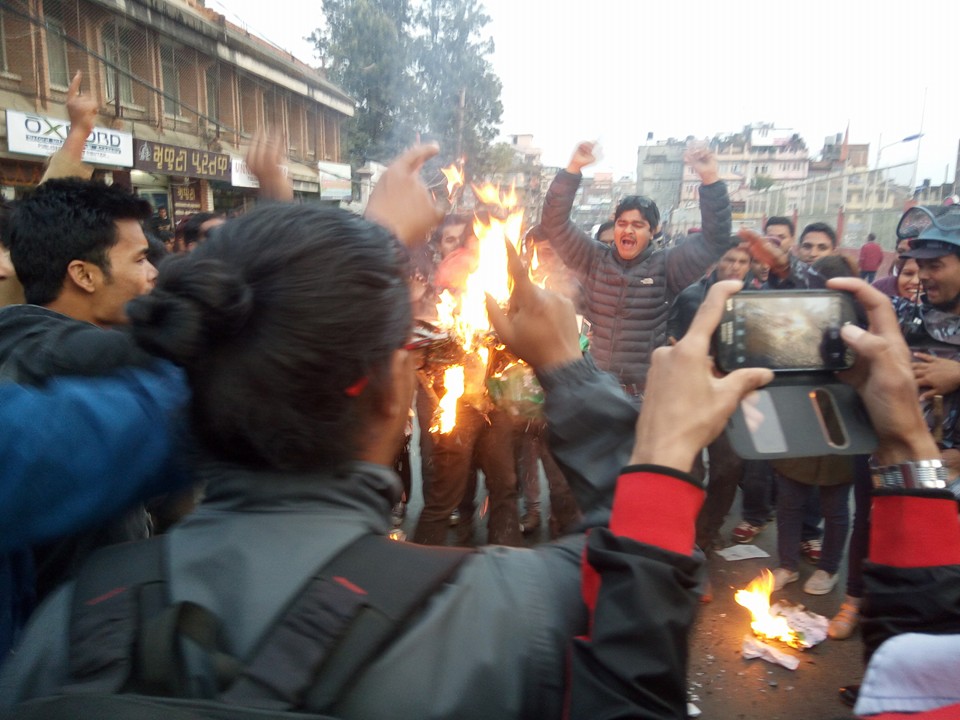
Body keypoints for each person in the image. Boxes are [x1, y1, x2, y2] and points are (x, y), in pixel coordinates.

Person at [0, 147, 645, 718]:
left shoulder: (64, 627)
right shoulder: (501, 615)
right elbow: (642, 575)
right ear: (394, 391)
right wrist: (570, 372)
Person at [539, 140, 732, 398]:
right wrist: (573, 168)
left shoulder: (668, 266)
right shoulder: (593, 258)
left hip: (642, 394)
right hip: (595, 389)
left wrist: (710, 178)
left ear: (652, 232)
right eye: (622, 223)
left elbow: (715, 240)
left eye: (638, 225)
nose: (628, 230)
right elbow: (554, 225)